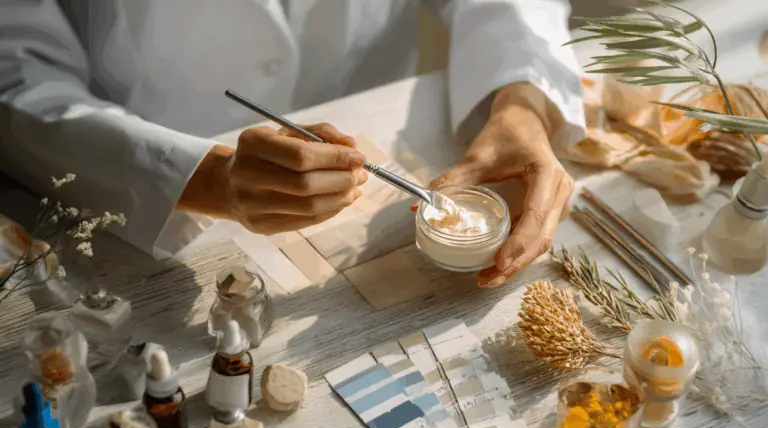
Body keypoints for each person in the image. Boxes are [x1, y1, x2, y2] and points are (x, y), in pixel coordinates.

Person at [0, 0, 584, 288]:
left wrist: (523, 103)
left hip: (386, 119)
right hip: (137, 197)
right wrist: (201, 176)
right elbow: (15, 72)